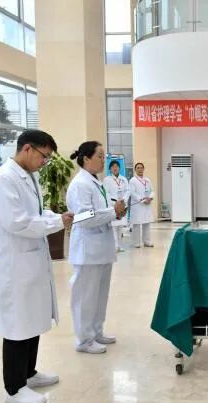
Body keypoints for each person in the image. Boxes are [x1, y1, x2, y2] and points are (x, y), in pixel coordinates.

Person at [0, 130, 74, 403]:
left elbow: (35, 214)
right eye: (43, 156)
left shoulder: (29, 176)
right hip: (15, 265)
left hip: (32, 261)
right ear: (27, 149)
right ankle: (14, 388)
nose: (44, 162)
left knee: (32, 319)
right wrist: (56, 223)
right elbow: (17, 222)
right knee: (17, 325)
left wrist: (57, 216)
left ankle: (28, 373)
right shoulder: (3, 179)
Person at [66, 141, 127, 354]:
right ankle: (84, 339)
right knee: (86, 296)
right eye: (99, 156)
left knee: (100, 295)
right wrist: (112, 212)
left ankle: (96, 331)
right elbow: (84, 217)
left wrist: (116, 211)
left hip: (101, 248)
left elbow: (101, 211)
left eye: (104, 156)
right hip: (88, 250)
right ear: (86, 159)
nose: (103, 160)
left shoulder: (96, 182)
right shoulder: (80, 184)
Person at [103, 160, 130, 252]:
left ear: (119, 168)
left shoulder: (124, 179)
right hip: (113, 205)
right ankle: (114, 246)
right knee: (114, 227)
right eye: (113, 166)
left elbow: (128, 191)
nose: (115, 168)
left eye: (116, 166)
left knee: (120, 227)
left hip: (122, 204)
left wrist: (124, 200)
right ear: (110, 169)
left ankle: (119, 246)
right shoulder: (107, 180)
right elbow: (106, 193)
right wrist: (114, 203)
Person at [129, 162, 155, 248]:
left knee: (147, 223)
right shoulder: (132, 180)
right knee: (136, 224)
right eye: (138, 168)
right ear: (135, 170)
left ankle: (147, 241)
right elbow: (132, 193)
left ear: (143, 169)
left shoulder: (147, 180)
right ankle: (136, 242)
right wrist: (143, 200)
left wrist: (150, 198)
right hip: (138, 205)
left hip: (147, 204)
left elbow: (152, 191)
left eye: (141, 168)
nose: (140, 169)